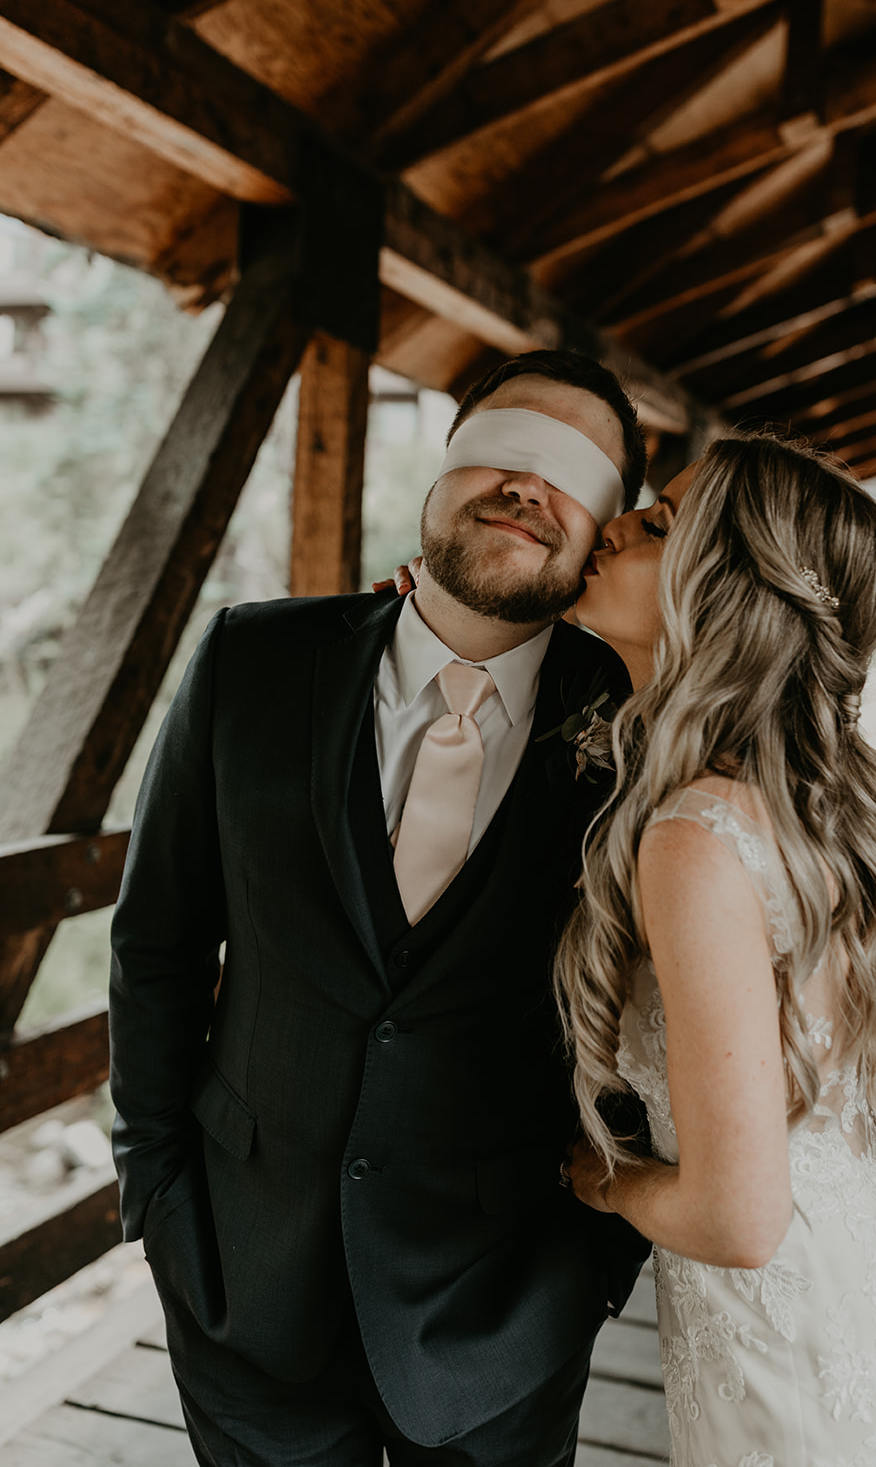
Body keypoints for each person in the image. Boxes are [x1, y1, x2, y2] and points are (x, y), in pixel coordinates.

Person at [108, 349, 652, 1467]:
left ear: (605, 529)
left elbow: (674, 1011)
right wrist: (155, 1192)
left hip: (505, 1309)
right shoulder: (250, 659)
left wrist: (589, 1271)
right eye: (500, 451)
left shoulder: (643, 729)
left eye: (568, 470)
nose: (525, 485)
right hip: (241, 1282)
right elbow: (156, 942)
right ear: (442, 471)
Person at [555, 432, 876, 1467]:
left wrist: (601, 1183)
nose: (614, 527)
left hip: (791, 1365)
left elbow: (735, 1218)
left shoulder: (696, 838)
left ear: (723, 592)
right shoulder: (795, 810)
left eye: (656, 526)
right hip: (866, 1309)